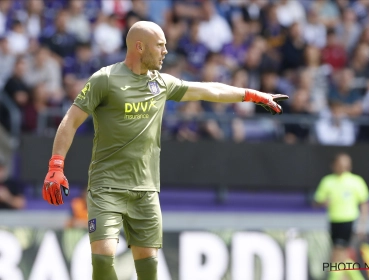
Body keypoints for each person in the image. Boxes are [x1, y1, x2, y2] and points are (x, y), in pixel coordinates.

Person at [41, 21, 288, 280]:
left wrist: (252, 94)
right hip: (106, 187)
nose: (165, 51)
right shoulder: (105, 79)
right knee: (102, 262)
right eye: (160, 45)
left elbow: (208, 89)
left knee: (149, 271)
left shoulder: (161, 83)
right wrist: (56, 165)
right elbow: (70, 121)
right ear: (139, 47)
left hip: (146, 191)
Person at [314, 153, 369, 280]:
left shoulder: (356, 181)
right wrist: (323, 202)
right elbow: (317, 201)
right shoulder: (327, 181)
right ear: (334, 165)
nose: (343, 167)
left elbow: (365, 204)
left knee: (338, 253)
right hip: (334, 221)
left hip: (349, 220)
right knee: (342, 255)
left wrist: (362, 225)